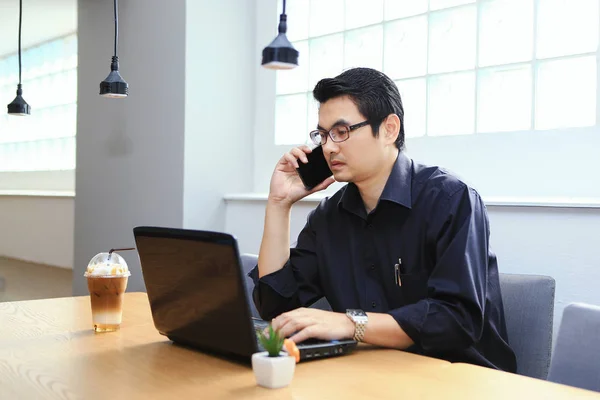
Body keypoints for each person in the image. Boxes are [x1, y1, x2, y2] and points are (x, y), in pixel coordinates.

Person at [248, 67, 517, 372]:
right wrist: (278, 204)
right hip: (373, 373)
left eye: (341, 131)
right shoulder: (329, 217)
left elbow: (455, 320)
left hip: (458, 377)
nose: (329, 147)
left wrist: (351, 324)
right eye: (322, 135)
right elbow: (275, 305)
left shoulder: (451, 199)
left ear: (389, 129)